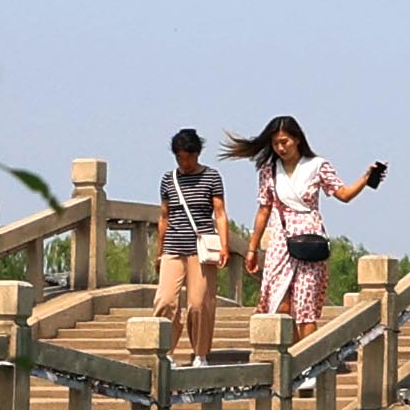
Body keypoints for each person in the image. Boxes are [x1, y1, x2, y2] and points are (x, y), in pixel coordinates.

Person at [222, 115, 385, 338]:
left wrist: (366, 178)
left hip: (310, 237)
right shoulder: (269, 171)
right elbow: (263, 210)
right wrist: (252, 248)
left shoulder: (317, 166)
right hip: (281, 237)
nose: (281, 148)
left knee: (305, 308)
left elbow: (343, 194)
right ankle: (291, 359)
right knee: (280, 304)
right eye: (276, 143)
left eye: (285, 142)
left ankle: (307, 364)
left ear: (297, 139)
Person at [153, 125, 230, 361]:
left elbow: (220, 213)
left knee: (199, 304)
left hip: (201, 248)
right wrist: (159, 252)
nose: (183, 162)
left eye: (187, 157)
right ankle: (162, 352)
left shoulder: (211, 177)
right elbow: (164, 217)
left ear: (197, 154)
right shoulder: (168, 179)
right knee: (165, 301)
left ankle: (200, 353)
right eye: (179, 157)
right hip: (174, 247)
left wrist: (224, 245)